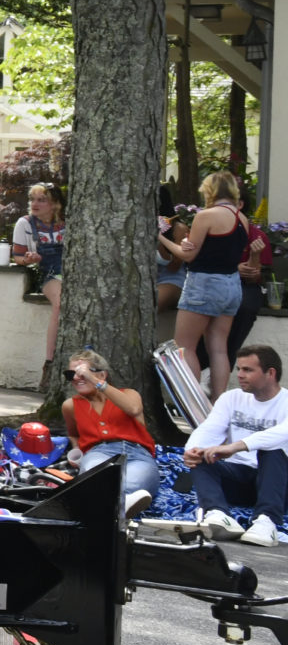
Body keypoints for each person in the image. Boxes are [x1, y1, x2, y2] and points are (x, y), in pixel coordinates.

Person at [182, 343, 288, 546]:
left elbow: (281, 434)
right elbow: (209, 429)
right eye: (238, 369)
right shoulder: (230, 398)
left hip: (278, 484)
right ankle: (218, 515)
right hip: (240, 477)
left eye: (248, 370)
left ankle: (267, 522)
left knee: (272, 449)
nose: (239, 374)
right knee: (200, 457)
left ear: (270, 373)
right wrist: (193, 449)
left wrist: (234, 446)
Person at [158, 170, 248, 394]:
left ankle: (193, 402)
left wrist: (159, 237)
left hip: (204, 284)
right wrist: (191, 242)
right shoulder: (241, 218)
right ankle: (217, 404)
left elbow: (187, 256)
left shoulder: (206, 216)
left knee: (185, 346)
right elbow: (219, 249)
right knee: (218, 348)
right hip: (231, 286)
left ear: (210, 191)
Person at [62, 349, 164, 506]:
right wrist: (77, 451)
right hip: (99, 452)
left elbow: (133, 409)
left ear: (102, 375)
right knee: (95, 477)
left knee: (136, 483)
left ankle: (118, 504)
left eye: (81, 373)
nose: (75, 378)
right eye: (70, 374)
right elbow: (74, 434)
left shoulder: (129, 394)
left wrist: (93, 379)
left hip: (137, 452)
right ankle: (120, 506)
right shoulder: (70, 405)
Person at [9, 182, 67, 377]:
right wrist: (28, 259)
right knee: (59, 303)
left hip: (71, 272)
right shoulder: (25, 224)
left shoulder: (67, 222)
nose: (35, 204)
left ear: (55, 204)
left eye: (42, 200)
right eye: (32, 199)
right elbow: (17, 256)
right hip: (47, 273)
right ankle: (49, 363)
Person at [230, 211, 272, 365]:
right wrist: (233, 269)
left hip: (245, 286)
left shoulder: (257, 236)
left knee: (245, 308)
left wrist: (254, 256)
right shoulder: (209, 231)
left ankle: (226, 359)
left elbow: (253, 278)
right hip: (212, 282)